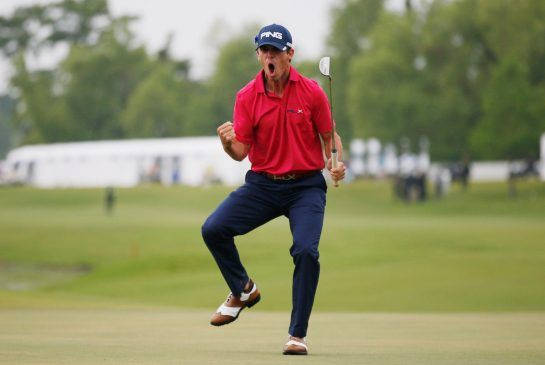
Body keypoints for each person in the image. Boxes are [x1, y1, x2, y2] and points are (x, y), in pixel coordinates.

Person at [201, 23, 346, 356]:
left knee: (306, 252)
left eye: (276, 51)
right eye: (264, 51)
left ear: (289, 55)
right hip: (263, 185)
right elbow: (241, 153)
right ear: (258, 55)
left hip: (306, 187)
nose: (270, 57)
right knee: (213, 229)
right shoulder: (247, 96)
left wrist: (335, 162)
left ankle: (297, 335)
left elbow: (329, 137)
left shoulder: (311, 92)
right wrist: (227, 144)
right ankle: (243, 290)